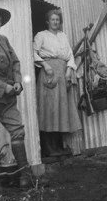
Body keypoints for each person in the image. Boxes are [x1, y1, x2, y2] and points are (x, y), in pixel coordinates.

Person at [0, 5, 45, 192]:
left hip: (8, 99)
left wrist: (17, 82)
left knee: (17, 131)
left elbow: (15, 62)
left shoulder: (4, 40)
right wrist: (3, 87)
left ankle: (25, 176)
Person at [33, 9, 82, 157]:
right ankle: (48, 147)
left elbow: (70, 56)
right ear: (47, 21)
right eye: (52, 19)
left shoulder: (63, 36)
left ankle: (58, 146)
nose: (55, 22)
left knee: (61, 110)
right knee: (49, 110)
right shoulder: (41, 35)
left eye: (57, 20)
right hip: (49, 73)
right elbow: (32, 52)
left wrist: (68, 71)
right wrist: (45, 65)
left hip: (62, 73)